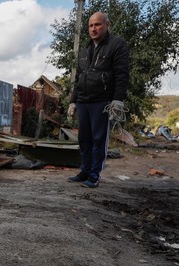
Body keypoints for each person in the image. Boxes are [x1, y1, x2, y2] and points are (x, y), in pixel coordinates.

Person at [68, 11, 130, 188]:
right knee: (84, 140)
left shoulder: (117, 45)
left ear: (107, 25)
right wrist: (73, 100)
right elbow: (79, 77)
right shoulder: (86, 50)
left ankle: (94, 175)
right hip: (83, 102)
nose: (93, 29)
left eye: (97, 24)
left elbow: (121, 74)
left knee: (98, 139)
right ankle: (85, 171)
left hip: (101, 102)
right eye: (90, 25)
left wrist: (118, 100)